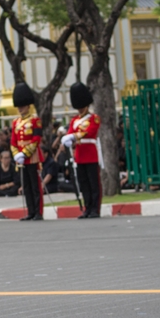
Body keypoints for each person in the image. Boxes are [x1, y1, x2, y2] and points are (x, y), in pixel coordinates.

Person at [62, 82, 102, 218]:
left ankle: (95, 209)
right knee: (84, 184)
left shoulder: (94, 118)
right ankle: (87, 208)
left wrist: (73, 136)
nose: (80, 109)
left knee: (93, 184)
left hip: (90, 153)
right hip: (79, 154)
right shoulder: (74, 121)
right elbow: (70, 133)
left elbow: (90, 132)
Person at [10, 82, 44, 220]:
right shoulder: (15, 123)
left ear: (28, 105)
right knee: (27, 186)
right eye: (19, 106)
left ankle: (38, 211)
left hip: (32, 156)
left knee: (35, 186)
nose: (20, 109)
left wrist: (24, 153)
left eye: (22, 106)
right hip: (21, 158)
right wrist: (16, 155)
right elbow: (13, 141)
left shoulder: (35, 121)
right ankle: (31, 211)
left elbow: (36, 139)